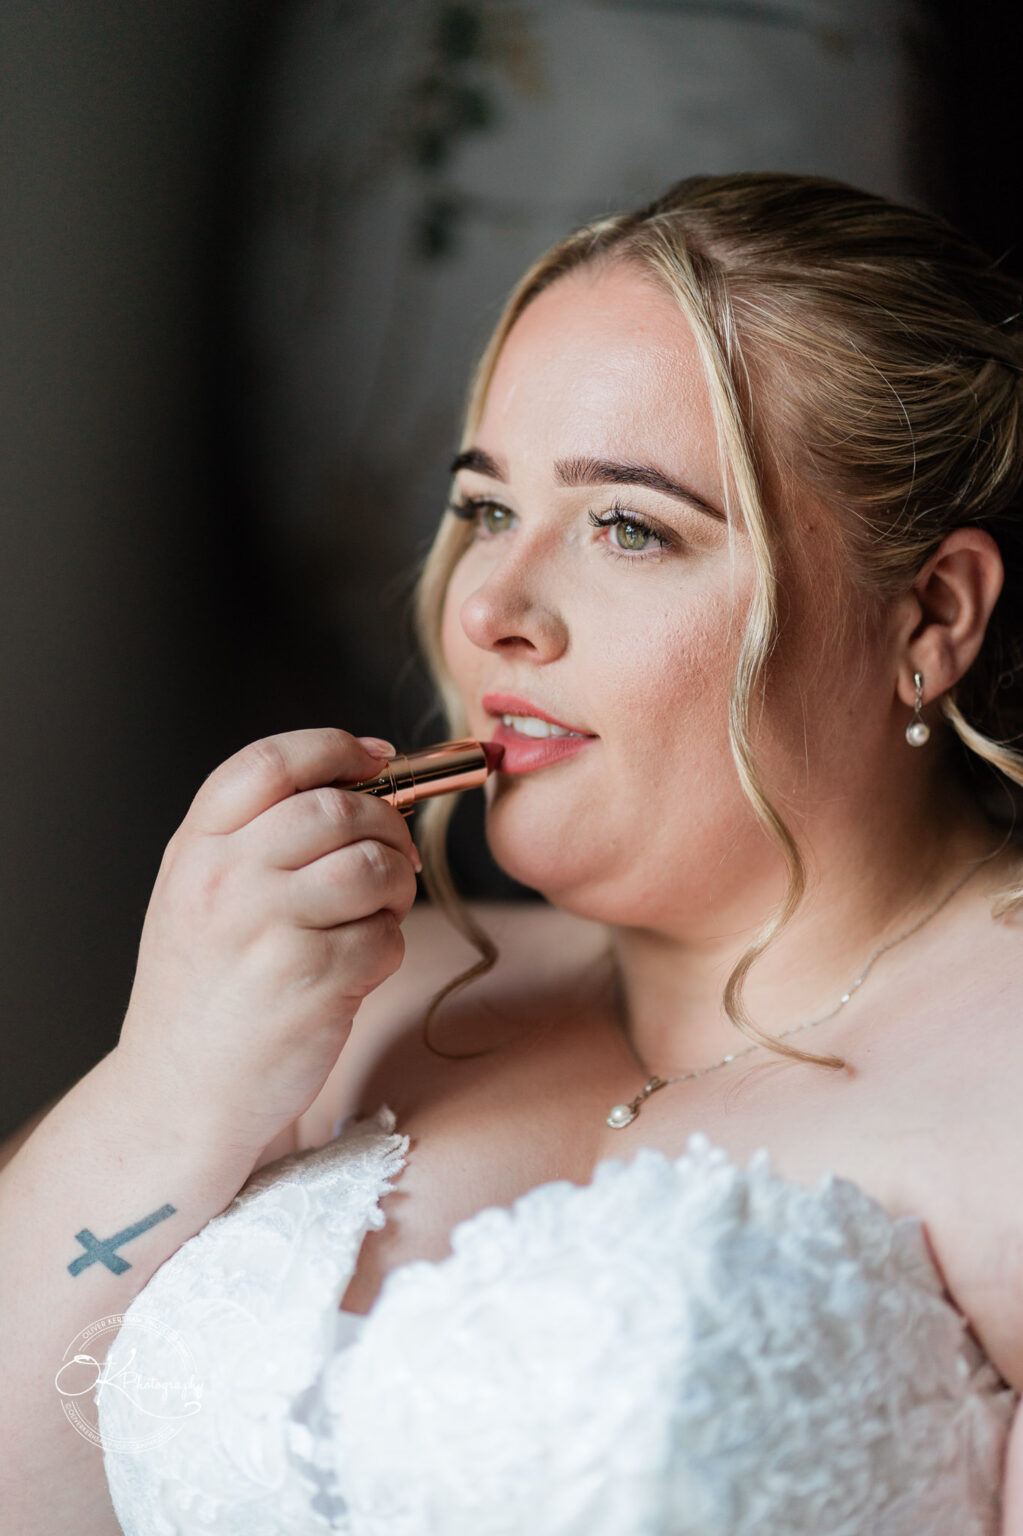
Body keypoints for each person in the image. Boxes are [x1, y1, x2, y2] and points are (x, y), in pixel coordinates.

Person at [2, 171, 1022, 1535]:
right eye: (487, 509)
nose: (488, 606)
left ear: (932, 617)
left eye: (628, 526)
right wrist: (170, 1084)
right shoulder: (358, 1006)